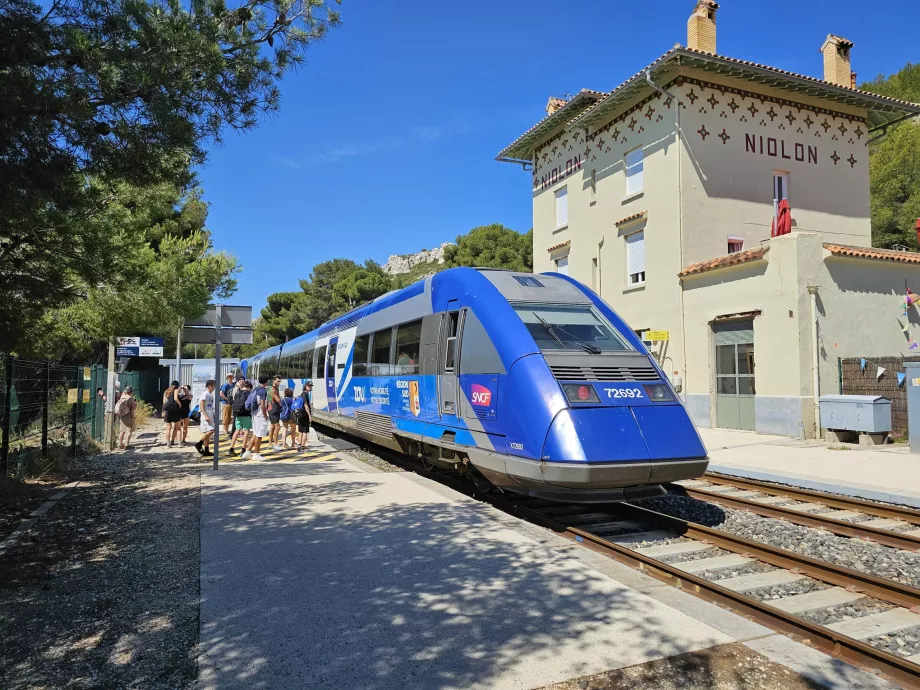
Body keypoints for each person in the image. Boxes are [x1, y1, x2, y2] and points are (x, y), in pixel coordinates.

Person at [243, 375, 270, 461]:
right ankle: (256, 454)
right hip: (260, 414)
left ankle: (247, 452)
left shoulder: (255, 389)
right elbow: (262, 404)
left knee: (255, 433)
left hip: (254, 413)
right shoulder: (263, 391)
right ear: (266, 382)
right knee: (259, 435)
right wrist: (265, 415)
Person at [228, 380, 253, 457]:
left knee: (237, 430)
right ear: (249, 387)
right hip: (246, 414)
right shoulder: (249, 394)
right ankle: (243, 450)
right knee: (246, 431)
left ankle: (231, 449)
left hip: (237, 414)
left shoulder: (237, 393)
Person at [196, 379, 216, 456]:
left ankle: (206, 450)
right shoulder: (205, 394)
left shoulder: (210, 395)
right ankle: (199, 443)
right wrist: (205, 415)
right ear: (208, 386)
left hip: (210, 414)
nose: (213, 387)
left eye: (214, 386)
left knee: (207, 433)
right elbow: (201, 405)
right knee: (211, 430)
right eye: (212, 386)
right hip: (206, 415)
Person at [115, 386, 138, 450]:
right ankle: (127, 444)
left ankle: (120, 444)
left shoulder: (122, 397)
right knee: (129, 430)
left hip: (122, 416)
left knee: (122, 431)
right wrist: (135, 403)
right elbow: (134, 407)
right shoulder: (130, 398)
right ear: (131, 392)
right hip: (129, 416)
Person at [162, 381, 182, 447]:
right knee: (178, 428)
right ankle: (179, 444)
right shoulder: (176, 390)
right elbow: (176, 398)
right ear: (177, 386)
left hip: (167, 410)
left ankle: (168, 444)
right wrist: (180, 404)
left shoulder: (166, 391)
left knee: (168, 428)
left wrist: (163, 411)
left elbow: (164, 402)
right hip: (175, 410)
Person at [296, 380, 314, 452]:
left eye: (311, 386)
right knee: (305, 432)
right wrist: (309, 415)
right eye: (309, 386)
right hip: (304, 415)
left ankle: (300, 446)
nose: (310, 388)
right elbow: (306, 405)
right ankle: (302, 447)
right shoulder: (305, 394)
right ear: (306, 387)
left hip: (300, 415)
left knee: (301, 431)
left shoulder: (302, 394)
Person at [268, 375, 283, 451]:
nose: (279, 383)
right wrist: (282, 404)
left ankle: (270, 443)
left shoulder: (273, 388)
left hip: (272, 409)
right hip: (273, 409)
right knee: (277, 427)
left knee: (272, 427)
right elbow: (277, 399)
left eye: (280, 381)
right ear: (274, 381)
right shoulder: (273, 389)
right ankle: (275, 443)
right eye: (278, 381)